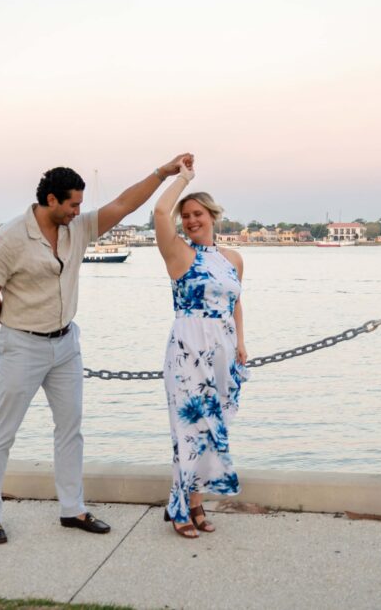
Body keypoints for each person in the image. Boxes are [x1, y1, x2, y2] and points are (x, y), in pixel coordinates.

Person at [0, 154, 193, 544]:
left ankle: (72, 509)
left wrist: (163, 172)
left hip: (66, 345)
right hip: (21, 345)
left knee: (70, 430)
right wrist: (18, 324)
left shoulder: (79, 229)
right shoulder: (9, 238)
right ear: (51, 200)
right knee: (3, 432)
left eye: (79, 204)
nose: (78, 211)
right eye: (72, 204)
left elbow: (123, 204)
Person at [153, 158, 249, 538]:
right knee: (188, 429)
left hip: (223, 350)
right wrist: (182, 178)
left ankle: (196, 503)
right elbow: (160, 210)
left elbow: (236, 302)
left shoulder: (232, 259)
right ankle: (180, 508)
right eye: (186, 216)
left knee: (212, 430)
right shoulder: (179, 254)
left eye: (197, 214)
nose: (191, 221)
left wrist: (241, 342)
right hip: (189, 349)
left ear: (212, 215)